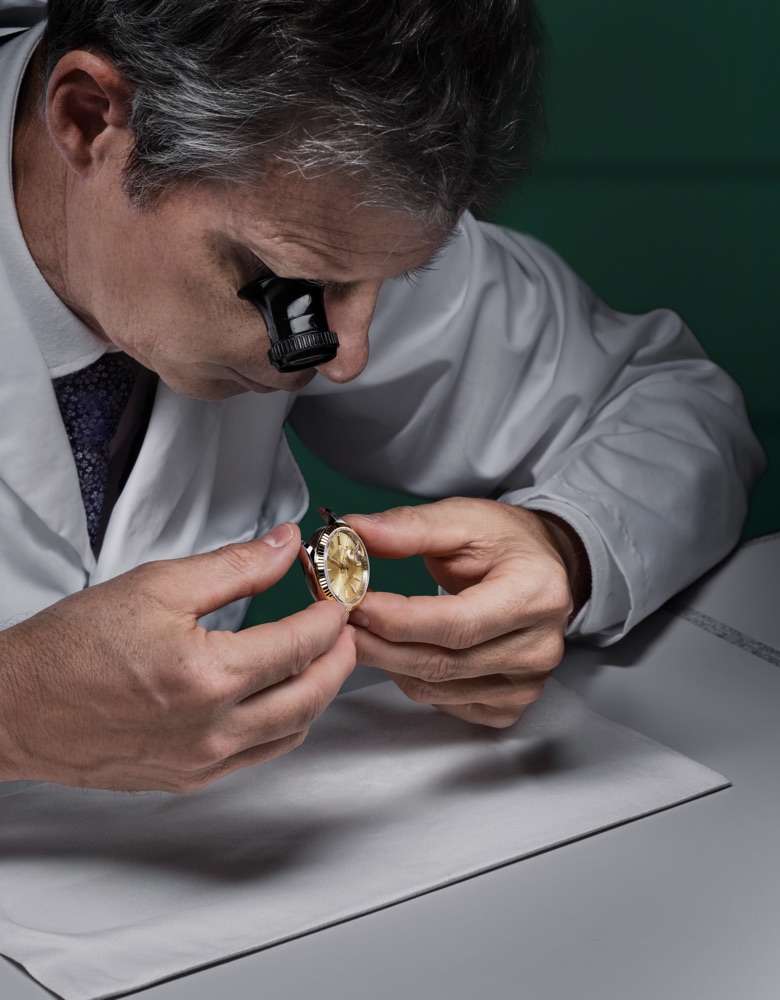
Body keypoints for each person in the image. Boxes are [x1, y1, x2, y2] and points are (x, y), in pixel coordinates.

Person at [0, 1, 763, 794]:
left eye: (386, 285)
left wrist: (564, 546)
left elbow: (669, 400)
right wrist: (13, 714)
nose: (349, 357)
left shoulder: (326, 204)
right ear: (89, 118)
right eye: (293, 286)